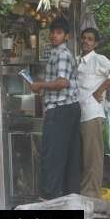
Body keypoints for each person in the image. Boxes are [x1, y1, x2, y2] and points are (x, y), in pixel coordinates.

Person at [30, 17, 80, 199]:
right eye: (52, 32)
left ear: (66, 36)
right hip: (67, 109)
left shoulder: (62, 54)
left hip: (61, 109)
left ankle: (51, 198)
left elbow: (62, 82)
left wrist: (40, 85)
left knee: (53, 155)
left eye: (59, 32)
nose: (54, 35)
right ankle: (69, 196)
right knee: (68, 156)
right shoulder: (56, 52)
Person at [77, 28, 110, 198]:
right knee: (85, 157)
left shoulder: (98, 59)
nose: (86, 41)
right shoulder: (80, 61)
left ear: (95, 43)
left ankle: (92, 195)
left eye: (90, 39)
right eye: (84, 38)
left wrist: (100, 90)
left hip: (93, 114)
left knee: (93, 158)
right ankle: (86, 193)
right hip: (81, 114)